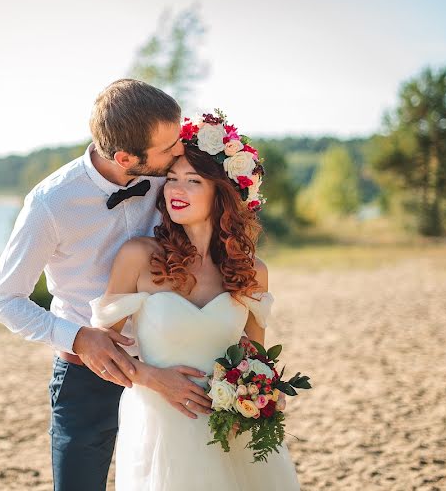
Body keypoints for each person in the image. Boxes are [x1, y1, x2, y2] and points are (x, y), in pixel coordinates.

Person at [0, 79, 214, 491]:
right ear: (126, 157)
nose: (181, 153)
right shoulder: (50, 205)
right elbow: (3, 299)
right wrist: (78, 338)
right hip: (87, 373)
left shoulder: (171, 171)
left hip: (174, 363)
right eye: (168, 149)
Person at [90, 111, 301, 490]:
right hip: (161, 422)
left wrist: (265, 396)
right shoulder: (138, 256)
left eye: (193, 181)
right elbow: (102, 351)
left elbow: (255, 354)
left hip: (231, 427)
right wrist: (151, 377)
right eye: (171, 179)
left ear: (222, 194)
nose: (175, 190)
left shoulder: (253, 269)